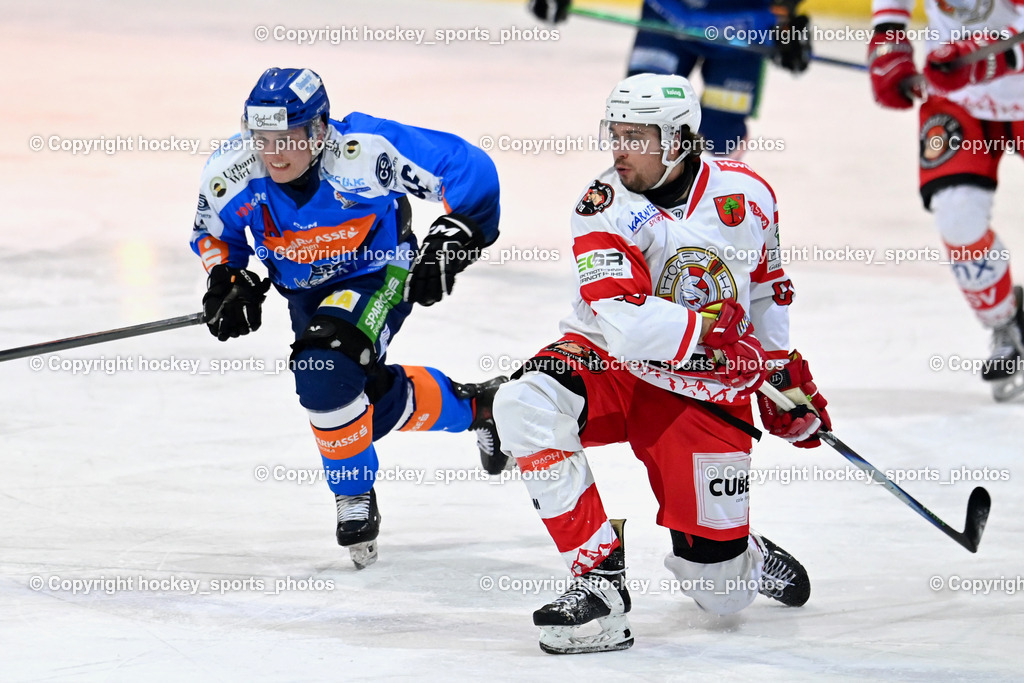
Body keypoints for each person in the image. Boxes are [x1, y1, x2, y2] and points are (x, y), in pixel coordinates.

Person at [492, 73, 829, 654]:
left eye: (636, 138)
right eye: (615, 134)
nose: (619, 150)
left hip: (704, 388)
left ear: (679, 141)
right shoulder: (603, 205)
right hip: (613, 366)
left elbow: (766, 289)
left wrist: (778, 374)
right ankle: (599, 581)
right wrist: (713, 335)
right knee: (523, 401)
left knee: (719, 595)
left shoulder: (748, 195)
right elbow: (625, 323)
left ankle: (742, 557)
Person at [191, 67, 508, 569]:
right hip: (305, 295)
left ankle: (353, 495)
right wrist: (227, 278)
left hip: (376, 272)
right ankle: (479, 407)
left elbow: (468, 167)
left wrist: (456, 235)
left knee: (324, 371)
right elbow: (213, 233)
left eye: (287, 139)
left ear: (318, 131)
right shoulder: (231, 170)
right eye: (262, 139)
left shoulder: (364, 150)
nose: (273, 154)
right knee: (353, 400)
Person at [868, 1, 1024, 401]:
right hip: (957, 97)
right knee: (957, 217)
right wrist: (889, 39)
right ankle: (1007, 324)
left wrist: (986, 56)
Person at [528, 0, 811, 157]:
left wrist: (787, 22)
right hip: (667, 12)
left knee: (721, 133)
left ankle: (714, 210)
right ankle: (640, 217)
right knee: (641, 113)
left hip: (743, 25)